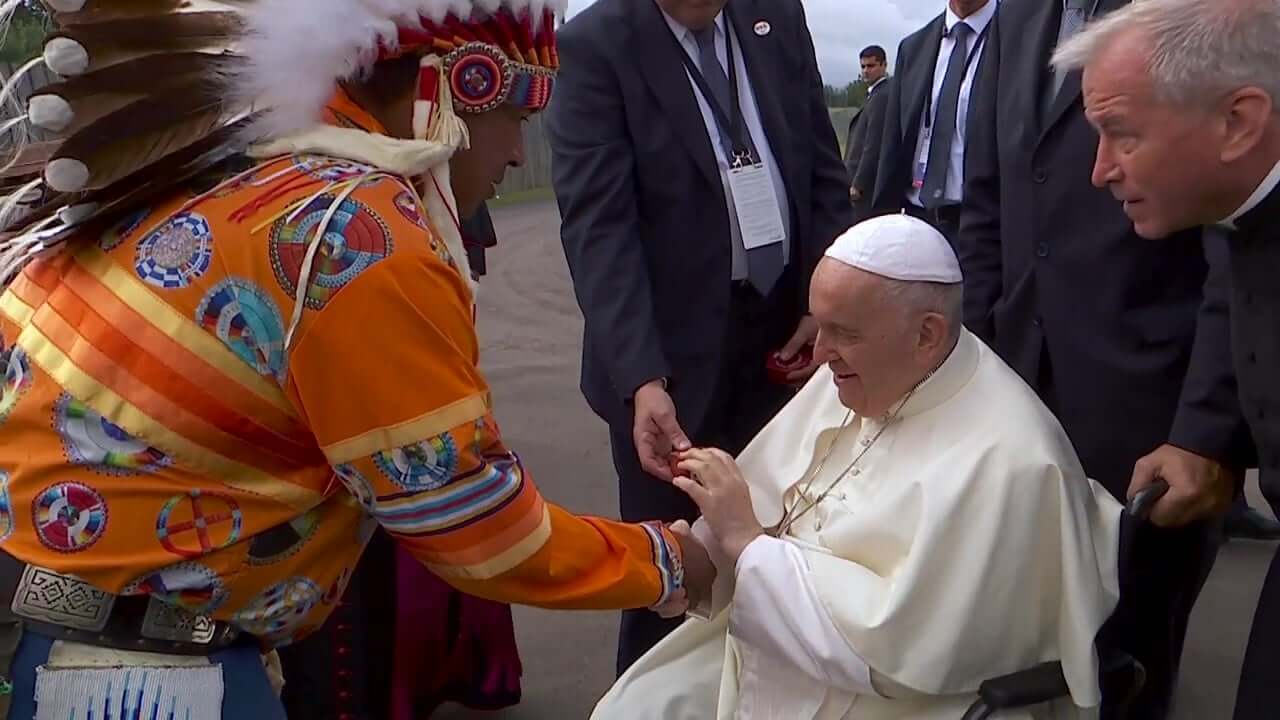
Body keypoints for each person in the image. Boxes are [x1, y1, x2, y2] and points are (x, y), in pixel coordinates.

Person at [0, 0, 714, 717]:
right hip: (150, 684)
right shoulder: (355, 235)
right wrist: (667, 562)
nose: (518, 157)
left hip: (89, 646)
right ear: (449, 90)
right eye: (517, 122)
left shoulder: (236, 173)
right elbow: (466, 516)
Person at [591, 214, 1122, 720]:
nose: (820, 354)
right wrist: (700, 559)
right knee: (631, 707)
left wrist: (747, 543)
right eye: (819, 326)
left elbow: (902, 650)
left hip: (893, 696)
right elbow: (774, 511)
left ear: (927, 335)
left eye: (842, 333)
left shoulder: (1012, 460)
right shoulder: (857, 377)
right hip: (779, 637)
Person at [956, 0, 1254, 716]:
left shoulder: (1202, 16)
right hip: (1018, 387)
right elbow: (991, 199)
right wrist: (966, 366)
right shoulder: (1019, 17)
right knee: (1018, 632)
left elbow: (1233, 241)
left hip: (1150, 404)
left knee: (1131, 649)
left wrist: (1203, 430)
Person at [547, 0, 851, 673]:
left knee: (786, 544)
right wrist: (640, 378)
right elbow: (600, 227)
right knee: (674, 574)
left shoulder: (775, 17)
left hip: (785, 339)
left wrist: (824, 298)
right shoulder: (597, 44)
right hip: (671, 368)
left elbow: (821, 171)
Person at [1050, 2, 1280, 718]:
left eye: (1121, 134)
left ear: (1239, 122)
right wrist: (1212, 438)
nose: (1099, 172)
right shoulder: (1243, 218)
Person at [868, 0, 997, 245]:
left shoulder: (1019, 39)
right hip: (917, 223)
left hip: (985, 230)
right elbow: (893, 143)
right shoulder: (913, 47)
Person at [845, 45, 893, 221]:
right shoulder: (875, 95)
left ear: (884, 66)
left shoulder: (882, 96)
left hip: (867, 188)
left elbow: (873, 144)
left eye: (871, 66)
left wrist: (859, 184)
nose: (866, 71)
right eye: (863, 67)